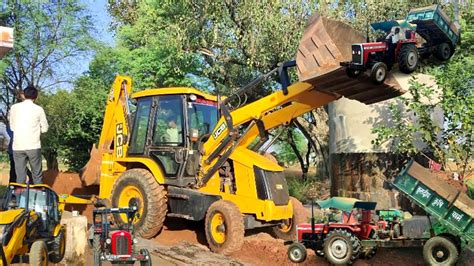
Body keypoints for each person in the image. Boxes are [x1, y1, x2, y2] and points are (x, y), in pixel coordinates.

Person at [9, 85, 48, 184]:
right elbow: (45, 128)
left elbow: (12, 127)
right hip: (33, 146)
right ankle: (37, 198)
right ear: (36, 97)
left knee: (20, 176)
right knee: (37, 174)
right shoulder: (39, 109)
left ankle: (20, 199)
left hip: (18, 146)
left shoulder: (14, 108)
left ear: (24, 95)